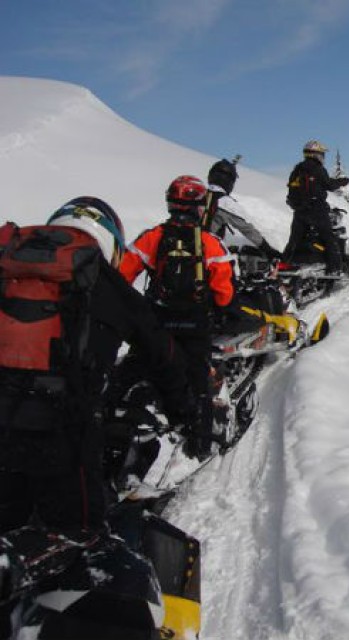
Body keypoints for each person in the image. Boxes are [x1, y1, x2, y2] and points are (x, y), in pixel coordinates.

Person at [0, 197, 194, 539]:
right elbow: (163, 356)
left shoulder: (8, 268)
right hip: (63, 436)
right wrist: (183, 412)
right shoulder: (107, 283)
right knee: (80, 538)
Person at [118, 175, 235, 460]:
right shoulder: (210, 243)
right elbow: (224, 294)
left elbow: (121, 276)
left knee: (141, 366)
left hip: (156, 322)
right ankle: (201, 442)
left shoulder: (152, 237)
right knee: (199, 380)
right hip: (195, 325)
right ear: (199, 207)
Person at [282, 140, 349, 273]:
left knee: (294, 241)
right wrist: (343, 181)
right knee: (329, 238)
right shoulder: (317, 169)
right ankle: (335, 269)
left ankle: (284, 266)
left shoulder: (297, 169)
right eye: (322, 154)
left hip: (299, 211)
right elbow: (329, 185)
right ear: (316, 154)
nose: (323, 157)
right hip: (317, 210)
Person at [204, 157, 283, 260]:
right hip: (209, 254)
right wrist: (267, 249)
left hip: (190, 249)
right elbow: (247, 229)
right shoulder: (225, 203)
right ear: (229, 181)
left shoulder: (198, 194)